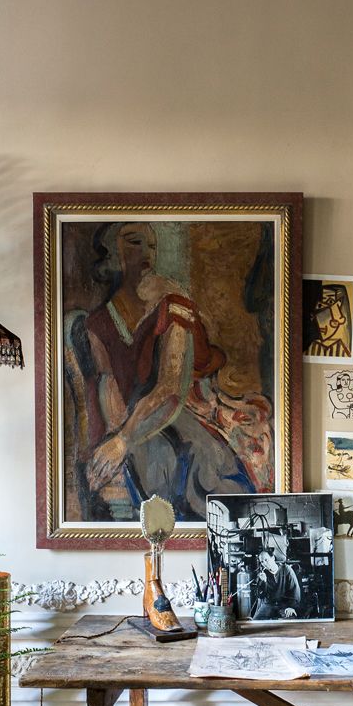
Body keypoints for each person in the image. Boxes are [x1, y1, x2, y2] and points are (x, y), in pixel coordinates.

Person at [69, 220, 272, 521]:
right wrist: (112, 442)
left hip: (173, 412)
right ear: (112, 251)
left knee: (197, 466)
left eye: (151, 245)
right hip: (130, 420)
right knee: (138, 463)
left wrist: (124, 439)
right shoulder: (97, 323)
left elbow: (169, 388)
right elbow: (107, 386)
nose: (146, 252)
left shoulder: (173, 305)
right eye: (134, 242)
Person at [250, 543, 302, 619]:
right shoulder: (263, 574)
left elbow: (295, 589)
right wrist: (263, 582)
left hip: (285, 604)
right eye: (262, 562)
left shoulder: (286, 569)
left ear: (273, 558)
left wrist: (291, 606)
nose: (264, 563)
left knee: (290, 620)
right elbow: (260, 596)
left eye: (266, 560)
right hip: (269, 604)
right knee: (256, 622)